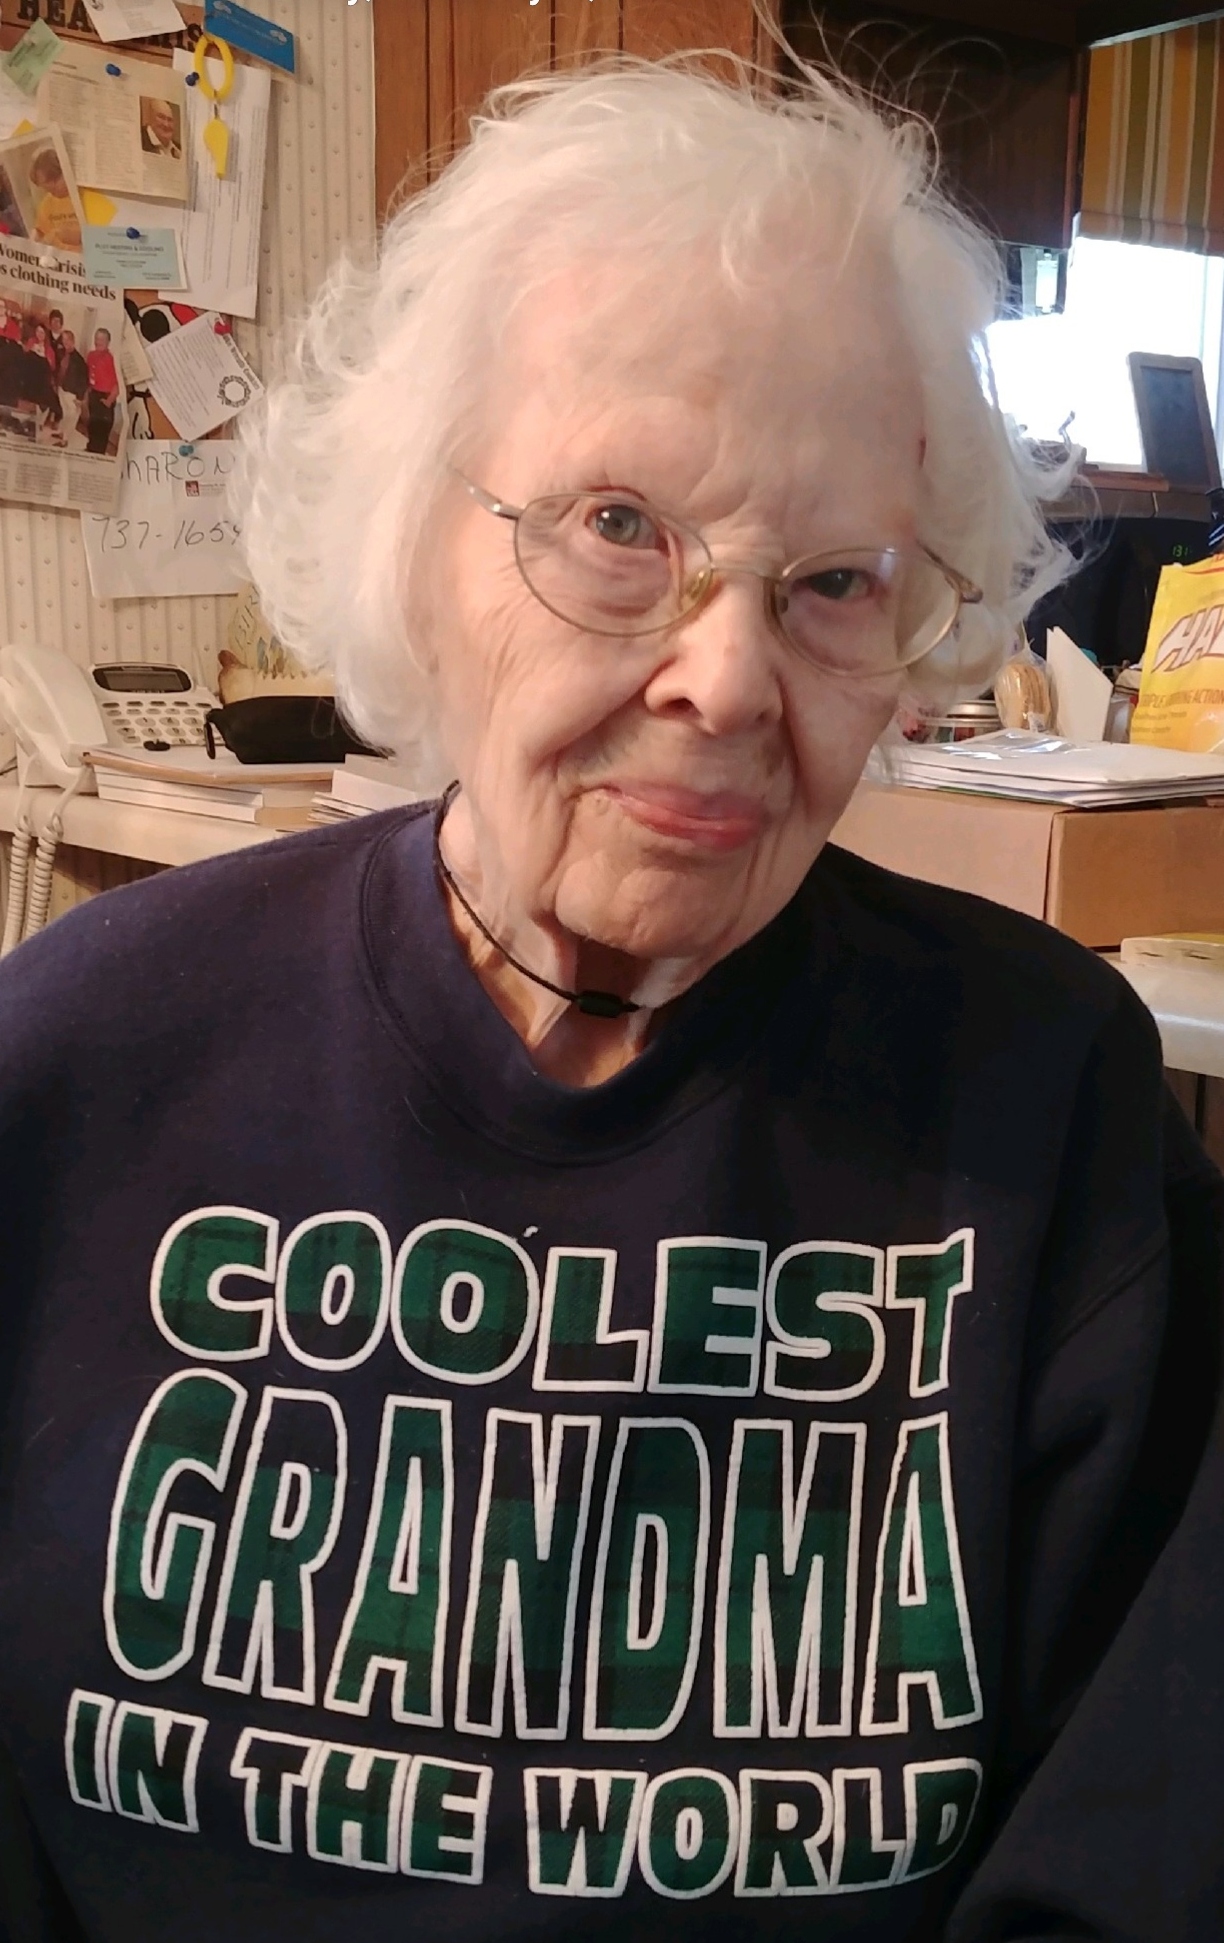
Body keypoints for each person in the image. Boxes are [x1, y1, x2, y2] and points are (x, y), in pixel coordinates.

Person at [0, 52, 1218, 1943]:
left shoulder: (1050, 1107)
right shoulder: (78, 1057)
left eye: (833, 580)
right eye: (621, 529)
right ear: (416, 543)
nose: (725, 680)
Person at [28, 148, 80, 251]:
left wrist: (80, 236)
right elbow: (40, 230)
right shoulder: (48, 202)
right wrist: (32, 242)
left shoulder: (85, 197)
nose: (50, 189)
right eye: (46, 188)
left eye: (54, 181)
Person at [84, 325, 118, 455]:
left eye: (102, 339)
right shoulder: (91, 355)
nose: (98, 342)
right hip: (94, 394)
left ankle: (98, 454)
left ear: (108, 342)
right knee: (92, 426)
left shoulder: (111, 359)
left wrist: (109, 401)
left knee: (102, 430)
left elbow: (117, 383)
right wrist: (87, 394)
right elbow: (88, 375)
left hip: (106, 397)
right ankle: (90, 449)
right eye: (96, 338)